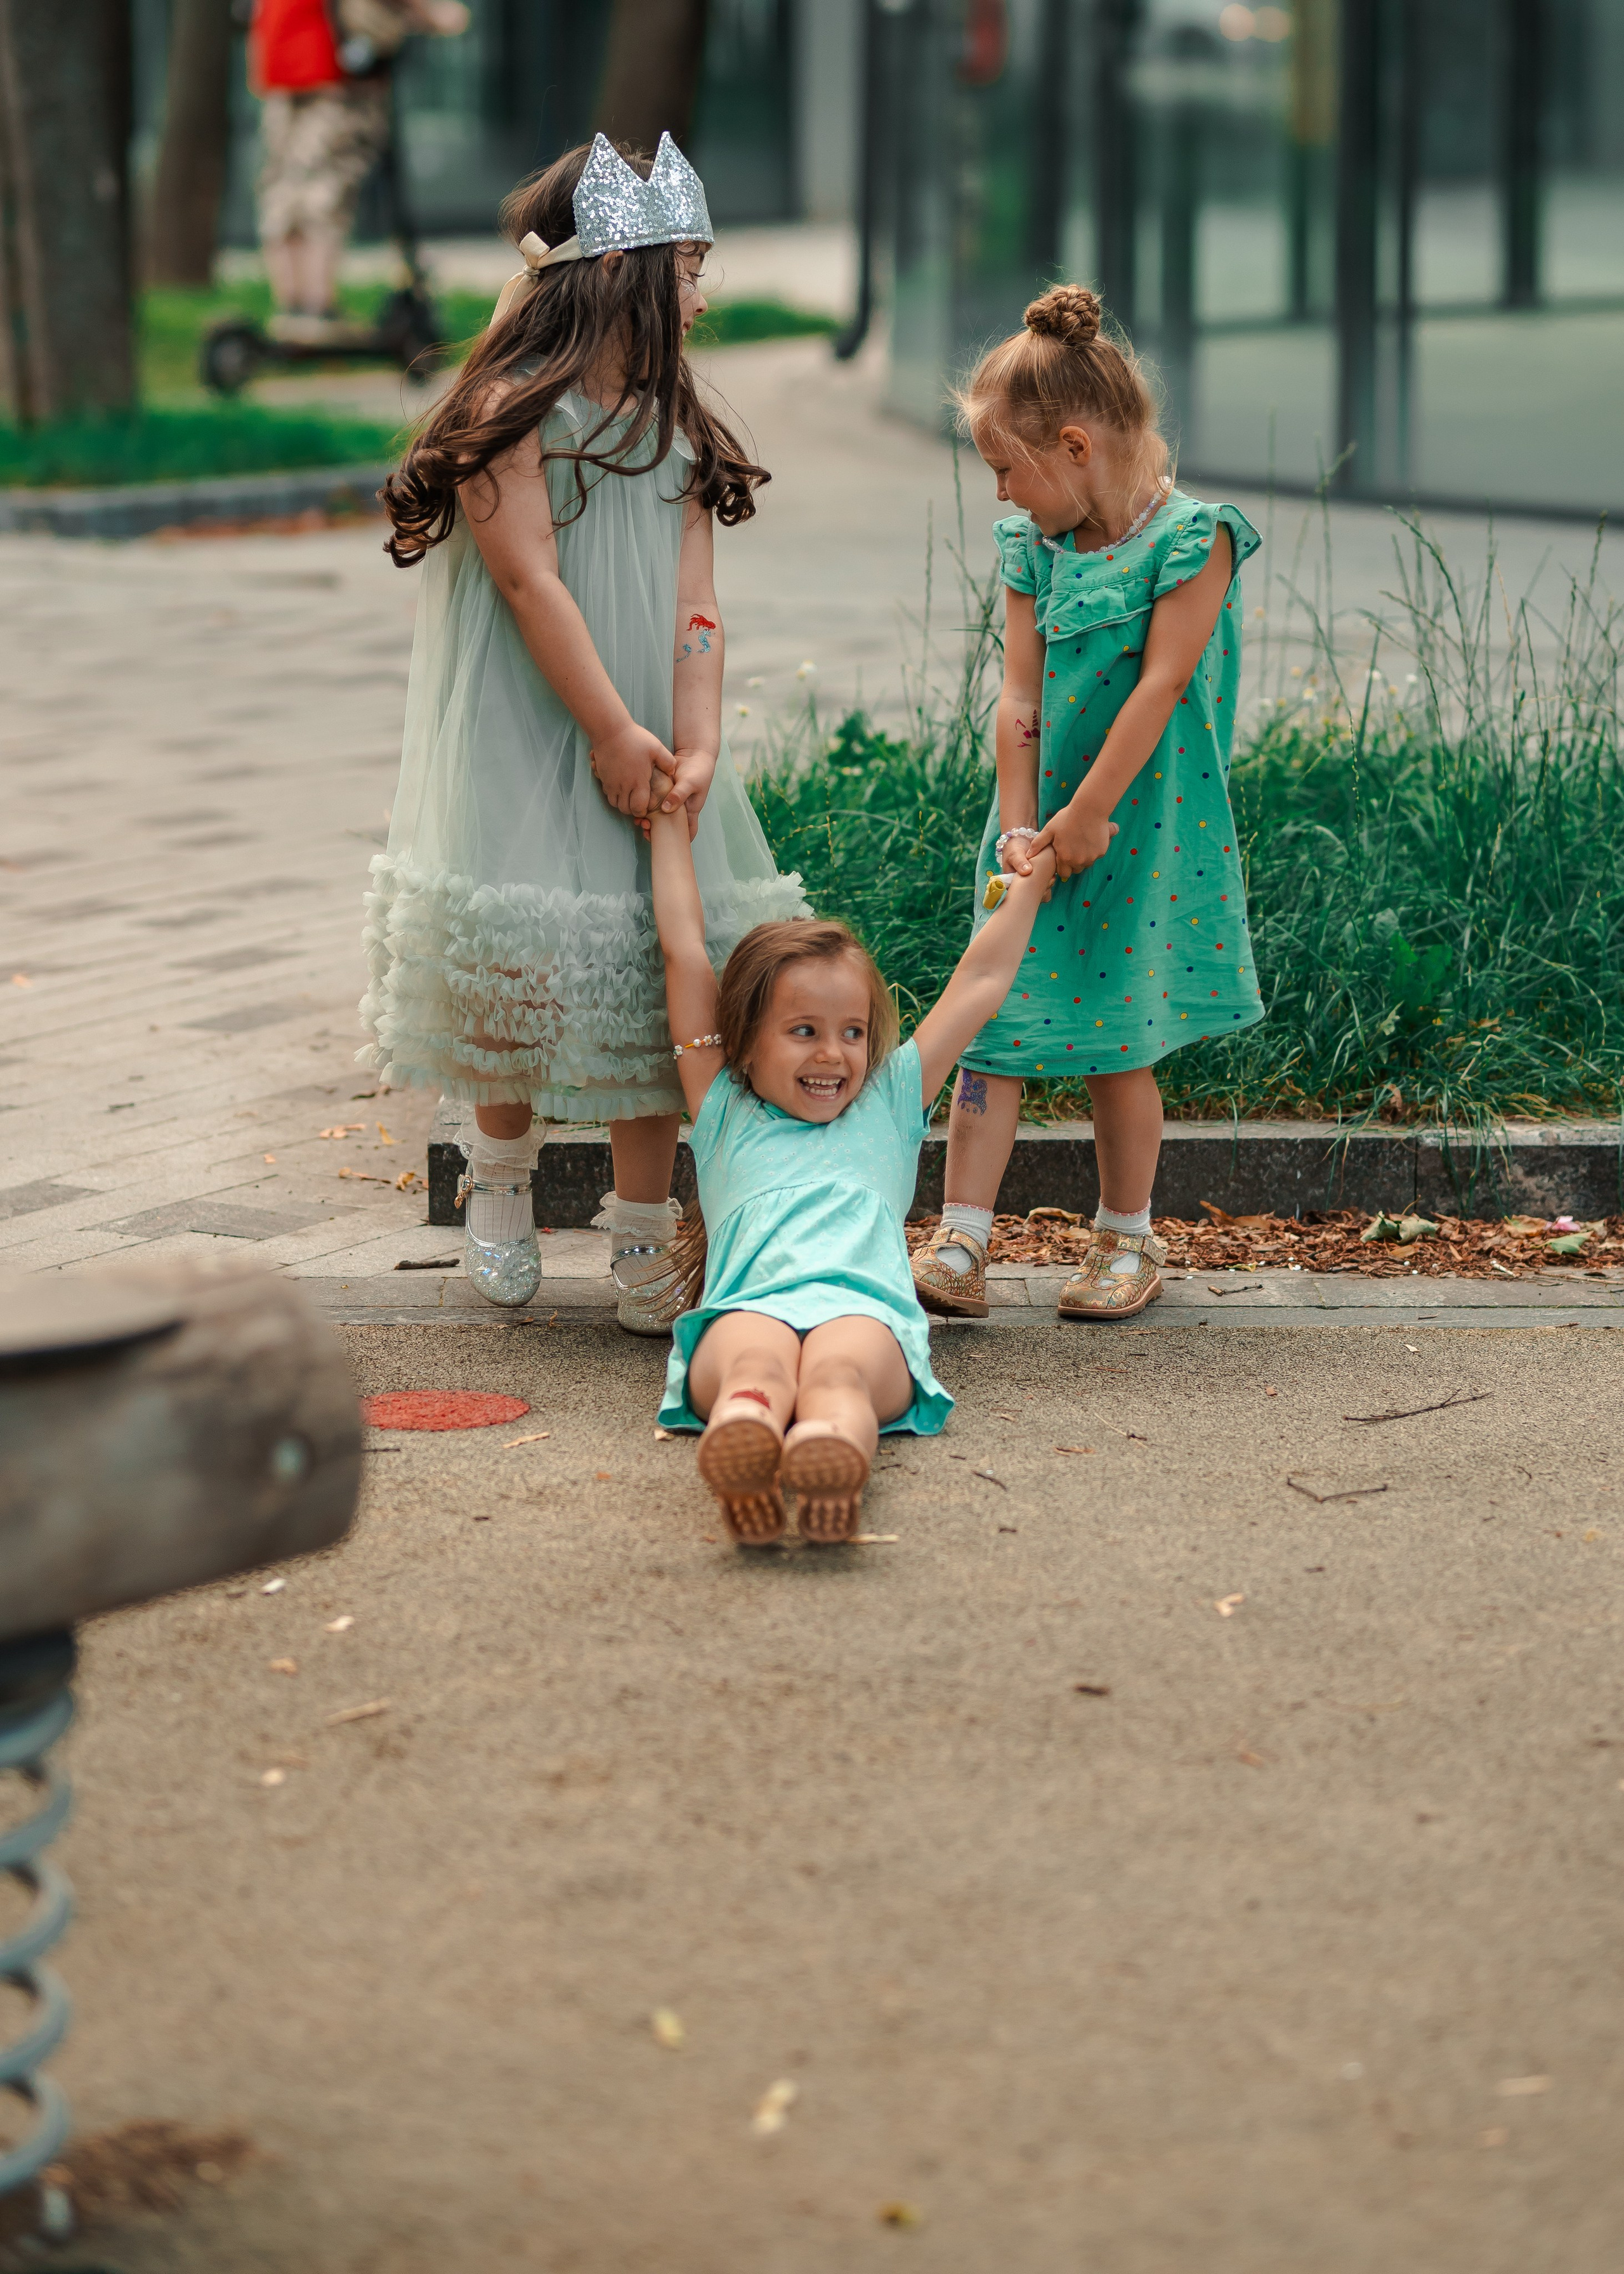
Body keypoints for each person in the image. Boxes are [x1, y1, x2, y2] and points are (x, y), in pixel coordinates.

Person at [361, 135, 807, 1320]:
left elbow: (698, 605)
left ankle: (644, 1221)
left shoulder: (681, 432)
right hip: (536, 725)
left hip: (651, 734)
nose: (702, 297)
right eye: (688, 268)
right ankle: (497, 1179)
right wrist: (610, 729)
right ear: (617, 270)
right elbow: (530, 584)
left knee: (655, 975)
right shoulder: (512, 416)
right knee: (520, 965)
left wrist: (693, 735)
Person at [910, 284, 1264, 1326]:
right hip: (1039, 824)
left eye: (1008, 469)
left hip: (1143, 826)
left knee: (1121, 1035)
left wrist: (1092, 813)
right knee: (994, 1022)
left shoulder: (1196, 541)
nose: (1004, 494)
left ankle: (1126, 1235)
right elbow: (1018, 693)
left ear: (1074, 446)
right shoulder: (1036, 550)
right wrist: (1024, 822)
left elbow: (1161, 685)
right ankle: (962, 1236)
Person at [646, 794, 1058, 1546]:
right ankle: (747, 1431)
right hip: (750, 1309)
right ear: (742, 1041)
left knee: (839, 1372)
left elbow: (978, 983)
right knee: (755, 1360)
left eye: (852, 1032)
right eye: (803, 1031)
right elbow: (683, 948)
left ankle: (826, 1448)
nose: (832, 1054)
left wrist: (1031, 880)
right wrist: (669, 823)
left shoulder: (891, 1099)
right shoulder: (723, 1106)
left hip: (863, 1314)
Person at [248, 0, 468, 344]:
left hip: (280, 61)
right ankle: (316, 310)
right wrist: (435, 13)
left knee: (282, 184)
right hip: (333, 69)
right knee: (329, 184)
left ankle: (293, 307)